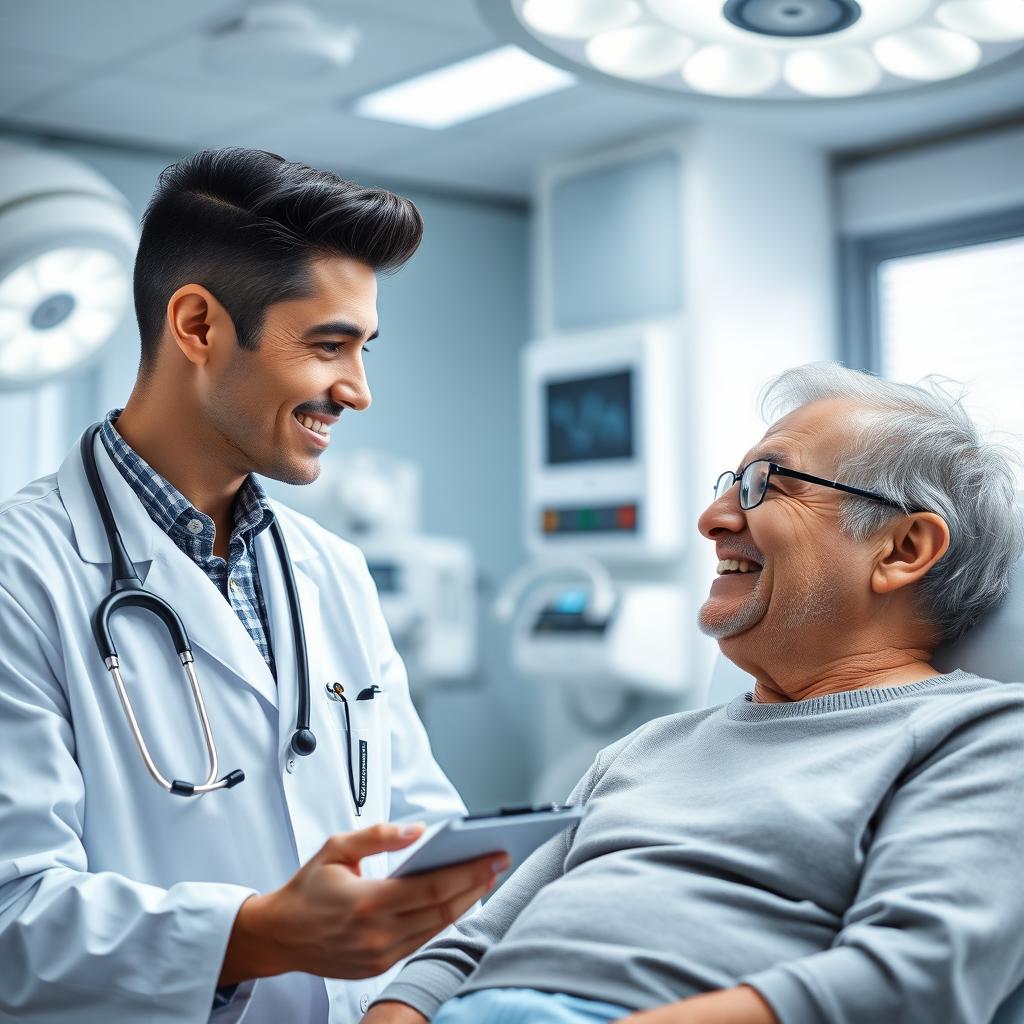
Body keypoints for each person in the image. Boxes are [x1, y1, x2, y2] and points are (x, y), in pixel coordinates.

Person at [0, 148, 509, 1024]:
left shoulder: (332, 571)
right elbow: (14, 915)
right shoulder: (22, 572)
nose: (357, 390)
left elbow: (418, 830)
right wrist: (257, 935)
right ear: (198, 326)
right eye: (328, 346)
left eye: (363, 350)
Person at [363, 362, 1024, 1024]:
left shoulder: (982, 738)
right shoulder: (646, 748)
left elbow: (909, 979)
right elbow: (471, 947)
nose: (712, 518)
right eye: (729, 485)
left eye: (767, 484)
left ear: (903, 549)